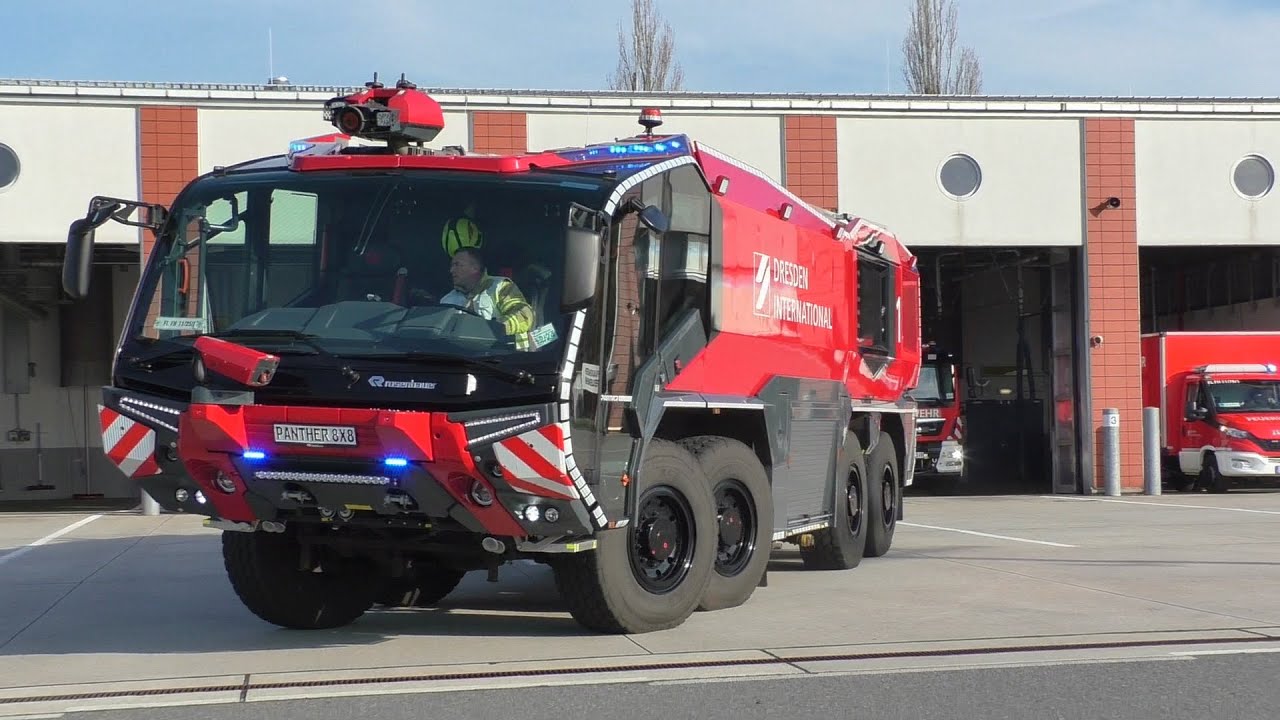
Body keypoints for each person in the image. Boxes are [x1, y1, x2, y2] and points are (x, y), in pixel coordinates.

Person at [440, 246, 536, 348]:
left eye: (457, 265)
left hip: (509, 359)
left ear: (475, 268)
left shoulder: (500, 287)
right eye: (452, 265)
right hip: (458, 360)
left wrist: (493, 328)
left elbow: (524, 315)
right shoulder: (447, 300)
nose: (451, 270)